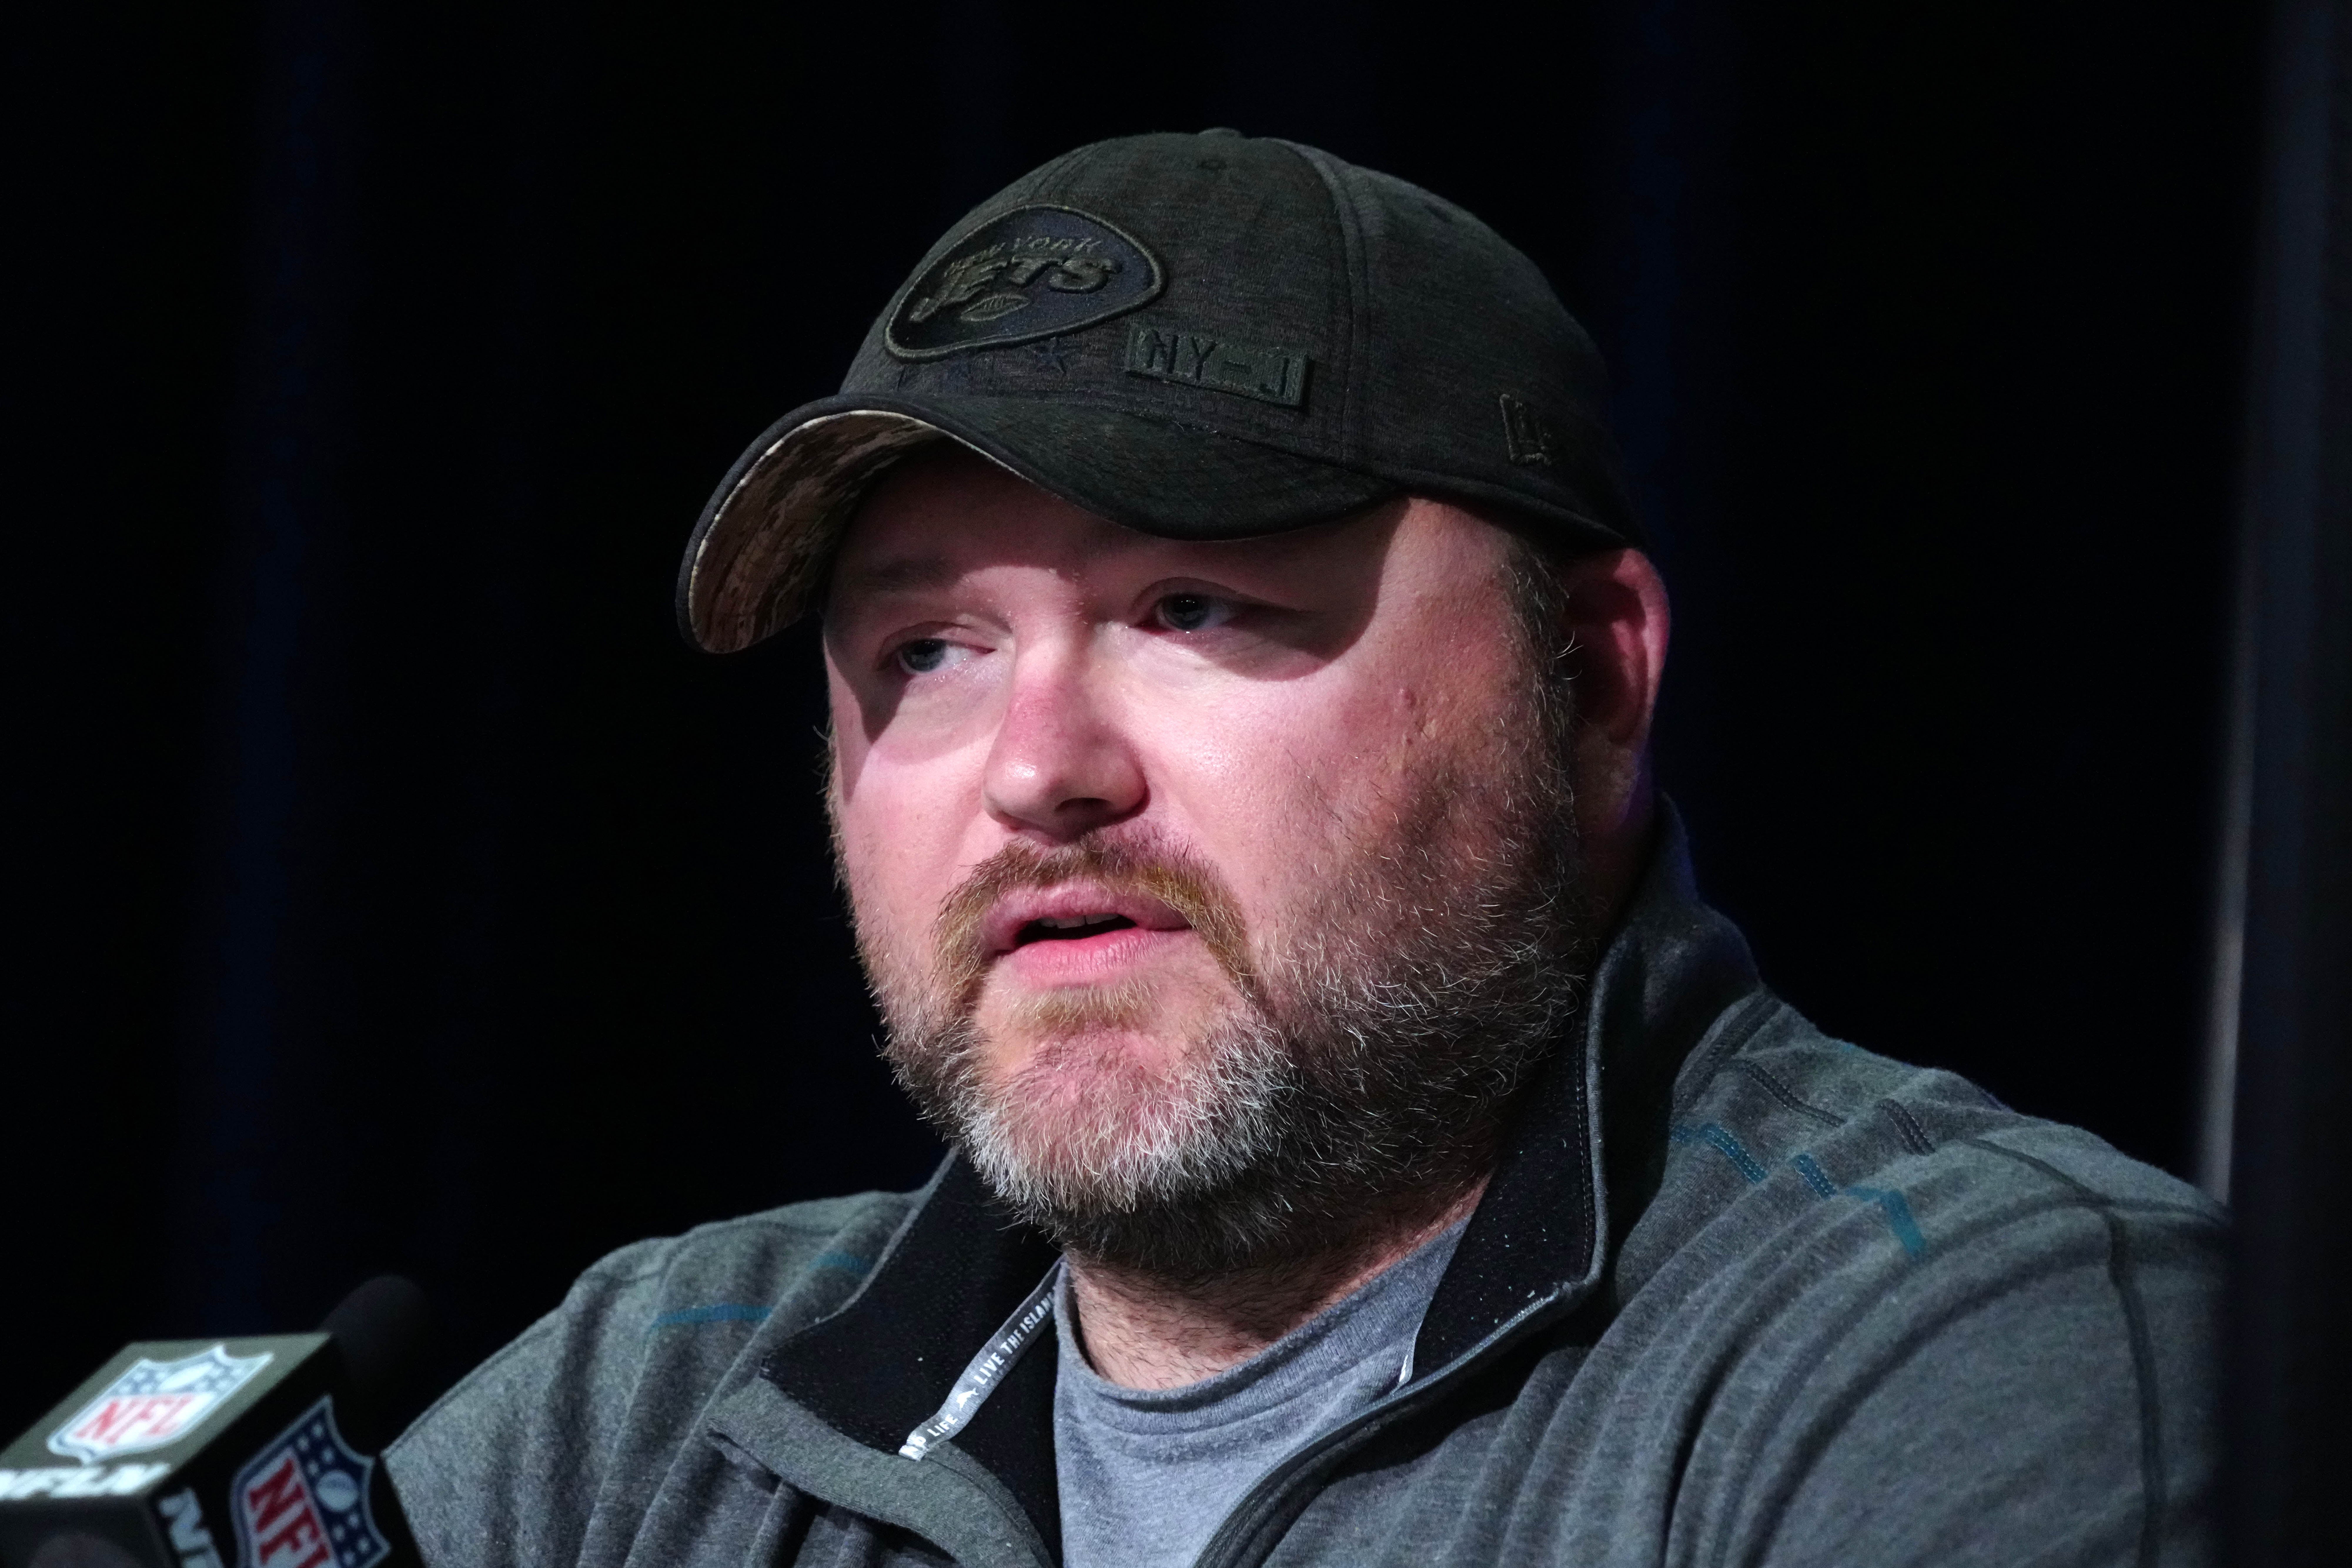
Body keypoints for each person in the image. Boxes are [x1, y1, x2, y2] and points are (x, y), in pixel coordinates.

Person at [384, 131, 2222, 1568]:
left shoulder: (1965, 1358)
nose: (1038, 771)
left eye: (1193, 606)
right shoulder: (648, 1409)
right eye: (928, 651)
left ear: (1585, 684)